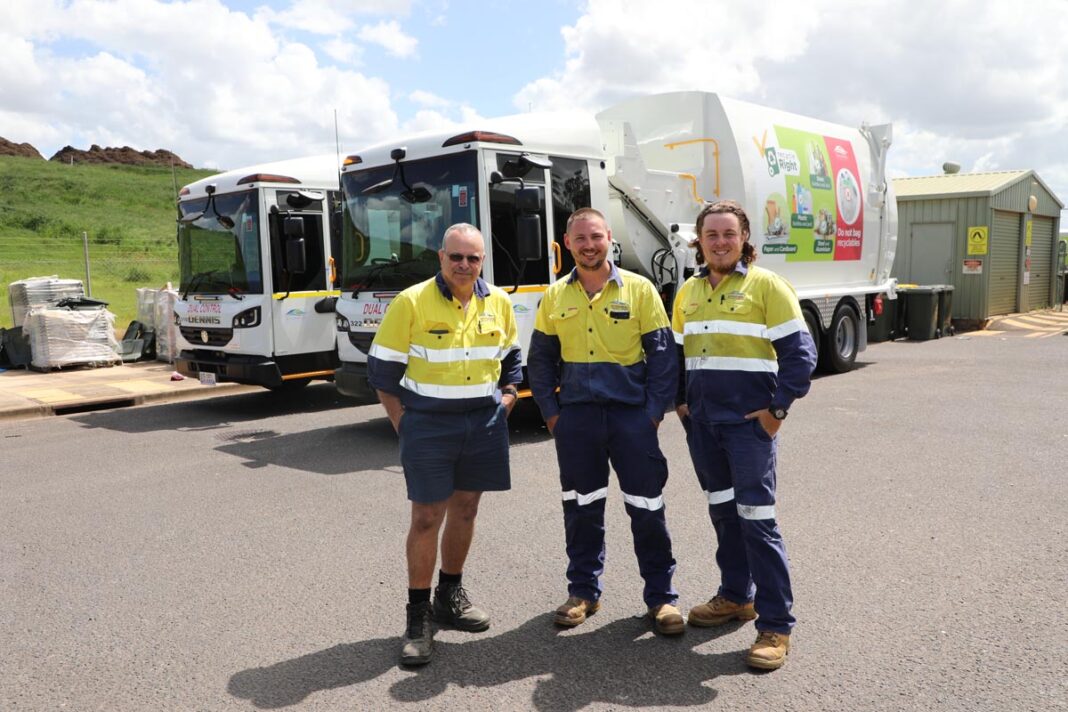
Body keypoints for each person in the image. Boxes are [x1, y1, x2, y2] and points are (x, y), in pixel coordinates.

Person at [367, 223, 522, 666]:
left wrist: (507, 399)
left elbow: (511, 358)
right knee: (426, 516)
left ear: (482, 262)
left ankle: (449, 597)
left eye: (473, 258)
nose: (464, 265)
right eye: (456, 257)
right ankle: (417, 618)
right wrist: (405, 425)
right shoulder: (411, 301)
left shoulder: (499, 302)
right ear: (441, 257)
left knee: (467, 508)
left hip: (483, 423)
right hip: (429, 426)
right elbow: (382, 372)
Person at [672, 200, 817, 670]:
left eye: (728, 234)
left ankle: (775, 625)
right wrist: (680, 402)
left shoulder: (766, 285)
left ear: (744, 237)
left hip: (749, 429)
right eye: (711, 234)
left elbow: (800, 355)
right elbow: (676, 354)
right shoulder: (688, 291)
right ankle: (736, 595)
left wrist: (776, 411)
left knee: (758, 521)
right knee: (723, 516)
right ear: (699, 240)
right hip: (704, 427)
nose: (719, 242)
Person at [527, 207, 683, 635]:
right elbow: (540, 362)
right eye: (580, 239)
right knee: (581, 509)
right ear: (567, 244)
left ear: (609, 237)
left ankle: (662, 599)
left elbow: (664, 358)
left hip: (631, 419)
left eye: (595, 237)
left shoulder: (640, 289)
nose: (589, 246)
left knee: (647, 509)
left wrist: (652, 414)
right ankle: (583, 592)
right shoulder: (555, 296)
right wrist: (553, 415)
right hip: (576, 421)